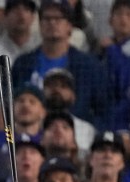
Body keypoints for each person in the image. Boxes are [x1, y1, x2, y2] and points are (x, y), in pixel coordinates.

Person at [12, 0, 110, 130]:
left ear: (70, 25)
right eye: (47, 18)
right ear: (40, 24)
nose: (52, 23)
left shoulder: (89, 66)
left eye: (58, 18)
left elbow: (104, 110)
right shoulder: (23, 63)